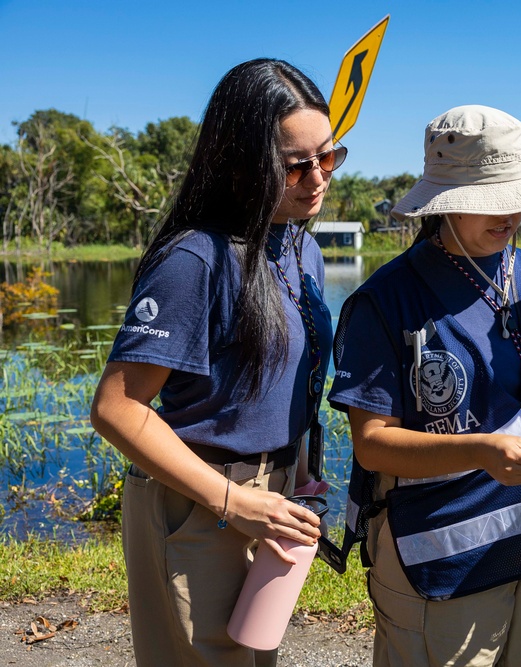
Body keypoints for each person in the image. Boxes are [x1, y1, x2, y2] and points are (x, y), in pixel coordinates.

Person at [328, 105, 521, 667]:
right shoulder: (387, 301)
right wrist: (481, 451)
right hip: (442, 567)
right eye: (492, 199)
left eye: (516, 195)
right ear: (442, 201)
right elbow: (372, 443)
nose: (512, 212)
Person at [90, 58, 344, 666]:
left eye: (330, 157)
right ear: (240, 163)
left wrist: (299, 471)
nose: (318, 178)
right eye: (295, 165)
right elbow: (116, 408)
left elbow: (279, 382)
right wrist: (236, 503)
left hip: (275, 497)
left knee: (254, 656)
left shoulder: (300, 247)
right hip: (201, 501)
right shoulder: (195, 259)